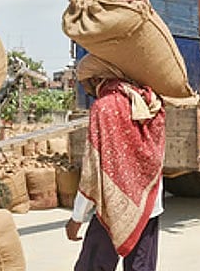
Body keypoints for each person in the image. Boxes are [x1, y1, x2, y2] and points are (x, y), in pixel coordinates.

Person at [65, 54, 165, 271]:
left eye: (85, 84)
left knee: (93, 266)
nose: (86, 90)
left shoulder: (105, 107)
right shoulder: (150, 101)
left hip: (113, 204)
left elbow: (94, 169)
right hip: (149, 203)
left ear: (95, 79)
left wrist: (77, 217)